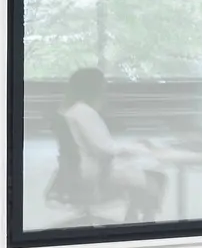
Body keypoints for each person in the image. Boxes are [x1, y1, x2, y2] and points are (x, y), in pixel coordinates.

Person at [59, 68, 168, 221]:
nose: (106, 93)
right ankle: (145, 221)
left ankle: (133, 216)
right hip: (97, 174)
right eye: (103, 87)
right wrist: (137, 148)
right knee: (156, 175)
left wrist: (130, 147)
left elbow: (99, 145)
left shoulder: (72, 111)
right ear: (94, 89)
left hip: (85, 170)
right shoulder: (84, 112)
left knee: (143, 167)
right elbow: (104, 150)